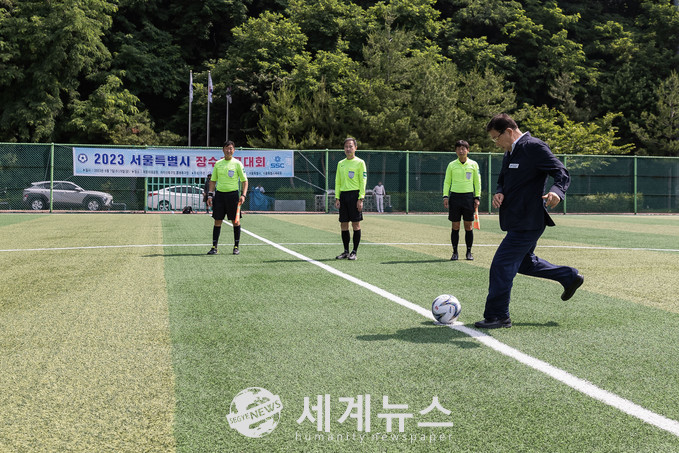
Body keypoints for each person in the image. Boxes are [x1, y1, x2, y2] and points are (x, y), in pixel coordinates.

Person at [475, 113, 584, 329]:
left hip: (529, 221)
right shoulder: (510, 151)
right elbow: (503, 179)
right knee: (525, 263)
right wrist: (500, 192)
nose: (496, 143)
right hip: (516, 220)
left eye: (496, 138)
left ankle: (498, 316)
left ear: (509, 131)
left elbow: (561, 172)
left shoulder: (534, 147)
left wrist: (556, 192)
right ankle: (569, 276)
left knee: (501, 265)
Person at [206, 141, 248, 255]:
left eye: (230, 148)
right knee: (217, 221)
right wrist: (210, 195)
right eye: (226, 148)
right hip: (219, 195)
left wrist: (243, 195)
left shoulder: (237, 164)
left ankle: (236, 247)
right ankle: (214, 247)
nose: (228, 150)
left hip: (233, 196)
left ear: (234, 150)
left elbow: (244, 181)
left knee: (235, 221)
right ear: (223, 150)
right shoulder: (218, 164)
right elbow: (213, 181)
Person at [442, 140, 481, 261]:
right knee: (455, 226)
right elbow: (447, 181)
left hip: (468, 198)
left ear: (468, 150)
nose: (461, 151)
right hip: (455, 198)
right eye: (458, 149)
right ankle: (455, 252)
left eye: (463, 148)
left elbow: (477, 182)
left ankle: (469, 252)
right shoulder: (451, 165)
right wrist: (445, 196)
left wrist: (477, 197)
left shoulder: (473, 164)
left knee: (468, 226)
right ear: (456, 151)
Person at [335, 137, 367, 260]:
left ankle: (354, 252)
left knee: (356, 224)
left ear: (355, 148)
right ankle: (345, 251)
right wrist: (337, 197)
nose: (348, 149)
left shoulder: (360, 162)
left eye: (350, 146)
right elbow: (338, 181)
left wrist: (361, 198)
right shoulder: (340, 163)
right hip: (343, 196)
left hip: (355, 196)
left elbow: (363, 181)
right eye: (346, 147)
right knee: (343, 224)